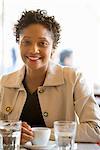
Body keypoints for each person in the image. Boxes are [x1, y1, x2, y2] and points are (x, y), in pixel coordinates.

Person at [0, 9, 100, 145]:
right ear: (19, 44)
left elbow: (95, 129)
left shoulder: (74, 78)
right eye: (26, 42)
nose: (33, 50)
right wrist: (13, 133)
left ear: (53, 48)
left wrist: (39, 133)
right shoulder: (5, 82)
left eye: (42, 43)